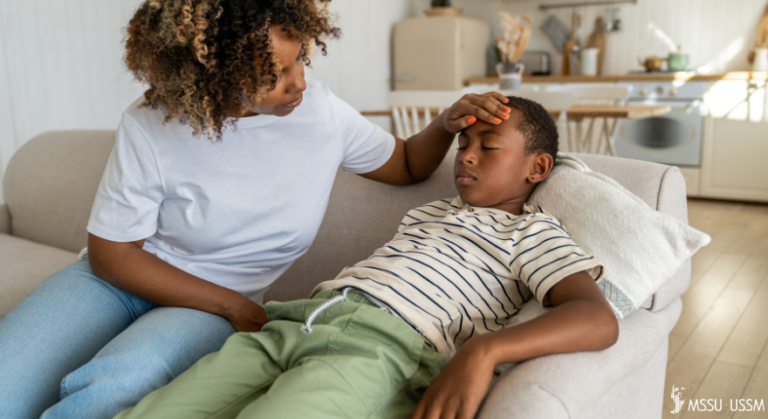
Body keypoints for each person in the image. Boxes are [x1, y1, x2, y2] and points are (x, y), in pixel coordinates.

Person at [0, 1, 511, 418]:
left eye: (300, 60)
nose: (300, 83)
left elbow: (403, 163)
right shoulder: (151, 123)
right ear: (213, 75)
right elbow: (112, 254)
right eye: (274, 73)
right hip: (113, 281)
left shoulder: (322, 115)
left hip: (207, 302)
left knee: (112, 387)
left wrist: (446, 122)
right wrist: (235, 308)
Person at [114, 97, 620, 419]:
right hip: (293, 324)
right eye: (464, 143)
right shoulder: (431, 212)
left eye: (489, 147)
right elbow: (417, 156)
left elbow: (596, 318)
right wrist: (447, 123)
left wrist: (483, 352)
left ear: (538, 167)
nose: (465, 154)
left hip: (380, 351)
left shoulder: (531, 231)